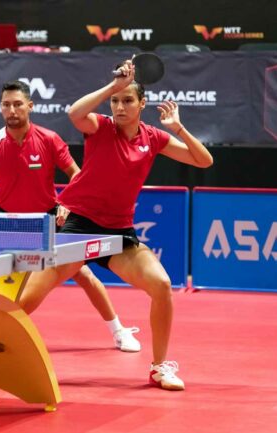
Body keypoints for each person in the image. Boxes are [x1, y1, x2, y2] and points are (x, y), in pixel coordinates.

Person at [19, 61, 213, 390]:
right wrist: (114, 85)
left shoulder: (153, 138)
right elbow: (74, 113)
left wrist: (177, 128)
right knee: (26, 300)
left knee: (161, 285)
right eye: (115, 101)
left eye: (127, 100)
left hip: (118, 232)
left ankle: (159, 368)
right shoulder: (101, 128)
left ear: (142, 104)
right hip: (78, 224)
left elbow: (203, 160)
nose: (120, 107)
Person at [0, 80, 141, 353]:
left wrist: (69, 203)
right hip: (8, 223)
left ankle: (118, 331)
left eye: (17, 104)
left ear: (30, 106)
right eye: (6, 105)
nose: (12, 110)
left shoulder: (48, 139)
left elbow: (76, 174)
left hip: (48, 223)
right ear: (0, 108)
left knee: (84, 275)